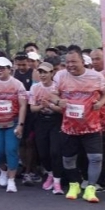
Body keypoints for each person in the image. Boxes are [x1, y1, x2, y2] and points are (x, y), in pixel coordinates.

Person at [50, 48, 105, 203]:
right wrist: (58, 101)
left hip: (91, 125)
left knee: (96, 158)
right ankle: (74, 185)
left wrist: (100, 103)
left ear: (83, 62)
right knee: (68, 159)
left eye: (74, 62)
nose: (70, 65)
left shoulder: (96, 76)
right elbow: (51, 94)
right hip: (70, 126)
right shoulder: (60, 75)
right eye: (67, 62)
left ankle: (90, 189)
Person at [0, 56, 28, 193]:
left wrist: (20, 124)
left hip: (12, 123)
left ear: (9, 69)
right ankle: (3, 170)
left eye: (2, 68)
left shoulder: (17, 84)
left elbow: (23, 106)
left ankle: (11, 180)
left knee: (11, 150)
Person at [29, 61, 64, 194]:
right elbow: (32, 108)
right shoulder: (35, 87)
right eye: (40, 72)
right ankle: (50, 173)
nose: (43, 75)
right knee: (43, 152)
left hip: (56, 121)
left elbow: (62, 109)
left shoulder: (58, 87)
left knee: (55, 151)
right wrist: (41, 106)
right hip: (41, 121)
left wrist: (49, 105)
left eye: (45, 72)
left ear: (52, 73)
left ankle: (57, 182)